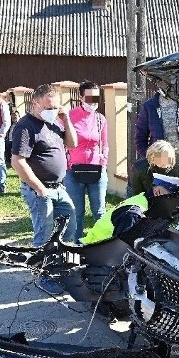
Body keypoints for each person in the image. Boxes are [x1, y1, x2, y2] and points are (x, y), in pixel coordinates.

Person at [10, 84, 78, 248]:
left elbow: (73, 143)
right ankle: (43, 272)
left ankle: (60, 265)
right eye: (48, 107)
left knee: (69, 229)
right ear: (35, 103)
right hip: (39, 190)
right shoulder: (26, 126)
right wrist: (40, 189)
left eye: (55, 107)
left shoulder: (54, 123)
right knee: (44, 236)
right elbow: (17, 161)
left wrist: (66, 119)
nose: (53, 111)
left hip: (59, 188)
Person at [64, 81, 109, 243]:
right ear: (81, 97)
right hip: (73, 171)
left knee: (100, 212)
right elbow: (61, 142)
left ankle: (102, 245)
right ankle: (77, 246)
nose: (93, 101)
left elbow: (105, 144)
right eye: (89, 97)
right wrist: (66, 164)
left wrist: (103, 163)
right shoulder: (70, 116)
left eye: (96, 97)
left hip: (96, 170)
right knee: (77, 212)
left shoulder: (100, 119)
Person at [134, 90, 179, 190]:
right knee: (165, 203)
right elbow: (139, 138)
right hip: (161, 171)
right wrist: (151, 158)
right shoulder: (149, 106)